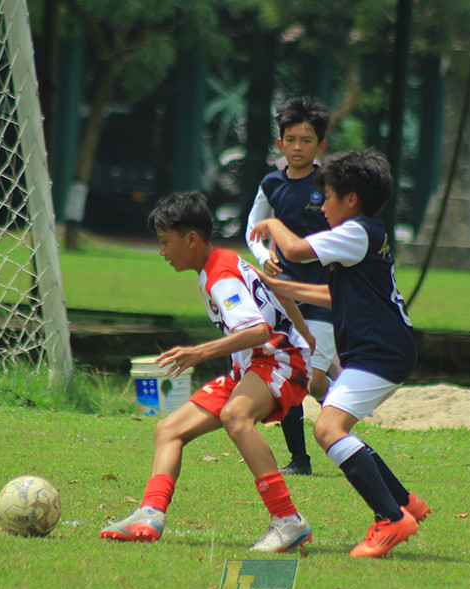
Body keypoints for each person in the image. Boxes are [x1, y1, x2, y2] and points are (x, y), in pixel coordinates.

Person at [100, 191, 314, 553]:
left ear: (192, 239)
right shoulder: (221, 262)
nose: (162, 252)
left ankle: (287, 520)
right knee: (169, 429)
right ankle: (150, 513)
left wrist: (200, 352)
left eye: (166, 243)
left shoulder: (220, 276)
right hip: (251, 365)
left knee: (235, 416)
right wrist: (306, 333)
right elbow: (274, 291)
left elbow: (258, 331)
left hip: (278, 360)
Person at [250, 149, 431, 558]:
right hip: (385, 349)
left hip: (379, 352)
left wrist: (273, 223)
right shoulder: (365, 233)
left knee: (327, 430)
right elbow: (337, 295)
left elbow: (294, 250)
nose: (323, 206)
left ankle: (390, 518)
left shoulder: (355, 231)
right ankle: (405, 502)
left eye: (328, 197)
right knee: (336, 426)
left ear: (351, 199)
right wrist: (283, 289)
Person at [245, 96, 335, 476]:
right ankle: (300, 460)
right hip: (283, 294)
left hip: (323, 295)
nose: (298, 147)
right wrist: (263, 254)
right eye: (291, 140)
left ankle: (340, 392)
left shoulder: (329, 184)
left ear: (321, 146)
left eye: (307, 140)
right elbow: (253, 228)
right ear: (279, 144)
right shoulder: (271, 183)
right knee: (295, 377)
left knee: (313, 383)